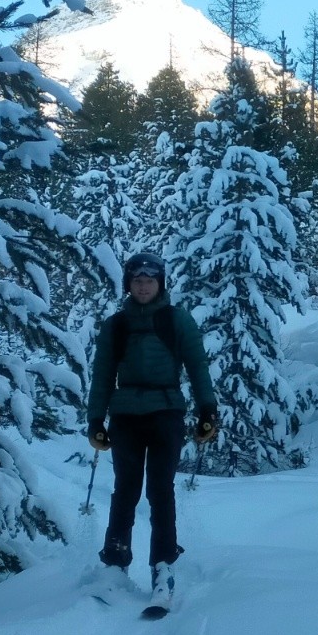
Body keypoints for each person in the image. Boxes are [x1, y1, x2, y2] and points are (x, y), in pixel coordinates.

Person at [87, 251, 218, 611]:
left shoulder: (177, 320)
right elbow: (101, 377)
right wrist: (95, 420)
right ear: (128, 284)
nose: (143, 285)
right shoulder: (115, 326)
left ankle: (163, 569)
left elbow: (197, 366)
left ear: (160, 283)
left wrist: (208, 410)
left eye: (150, 280)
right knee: (125, 490)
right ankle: (115, 567)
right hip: (125, 415)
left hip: (166, 413)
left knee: (160, 490)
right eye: (137, 280)